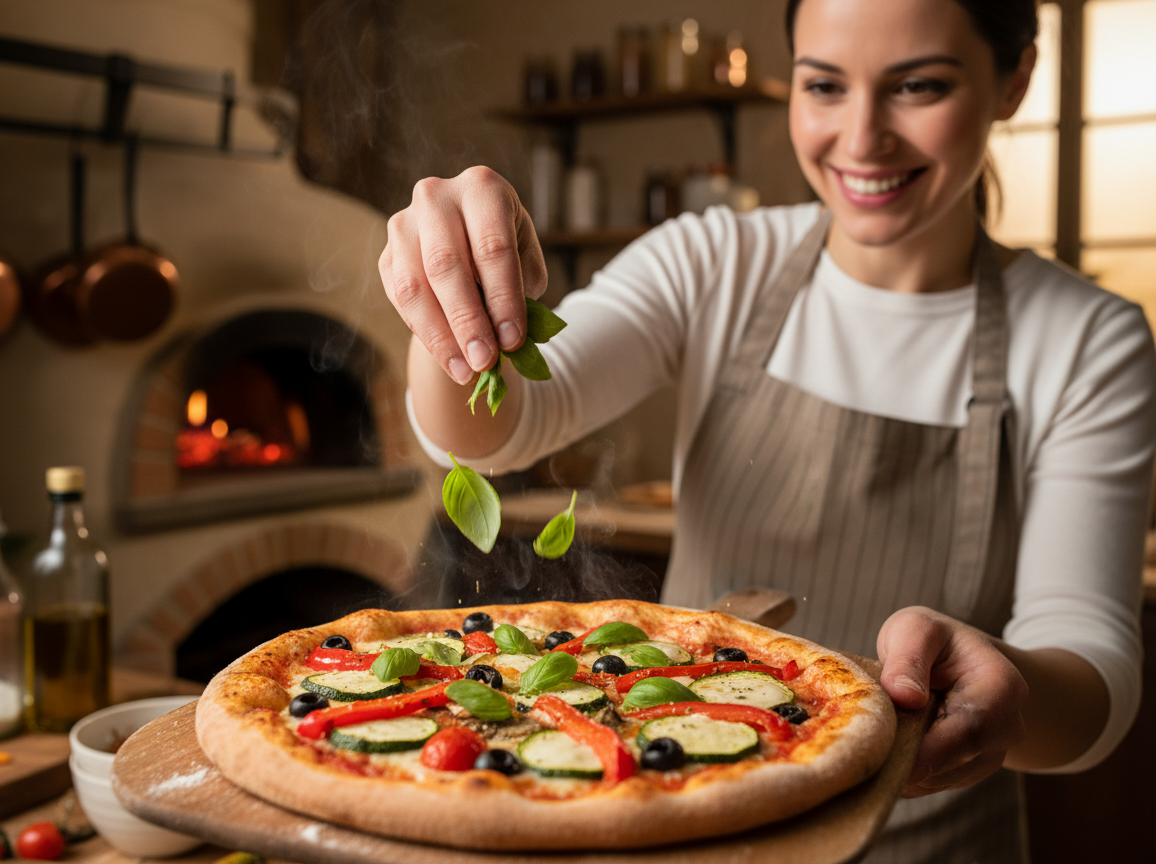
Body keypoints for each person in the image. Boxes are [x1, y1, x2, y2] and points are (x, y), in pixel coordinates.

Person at [378, 0, 1156, 860]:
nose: (862, 138)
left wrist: (1012, 690)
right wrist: (449, 304)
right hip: (683, 817)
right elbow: (500, 432)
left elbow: (1093, 677)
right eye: (824, 85)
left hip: (930, 840)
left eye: (919, 86)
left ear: (1015, 81)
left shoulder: (1088, 338)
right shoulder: (713, 261)